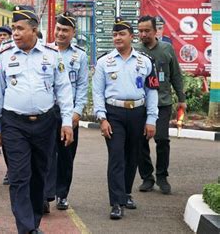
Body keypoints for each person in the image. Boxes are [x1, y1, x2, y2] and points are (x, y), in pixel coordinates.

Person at [0, 5, 74, 234]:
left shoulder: (52, 55)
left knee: (39, 175)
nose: (15, 33)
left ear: (34, 30)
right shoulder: (4, 55)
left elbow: (64, 90)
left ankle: (33, 222)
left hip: (45, 123)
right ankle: (26, 228)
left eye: (20, 29)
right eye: (14, 28)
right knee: (18, 175)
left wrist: (66, 122)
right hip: (14, 123)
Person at [92, 17, 159, 220]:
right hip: (114, 114)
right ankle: (116, 203)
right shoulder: (104, 62)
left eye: (122, 34)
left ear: (131, 36)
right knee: (116, 157)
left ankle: (126, 193)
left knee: (133, 157)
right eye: (114, 34)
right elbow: (97, 92)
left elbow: (152, 91)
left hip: (138, 113)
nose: (117, 38)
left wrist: (151, 119)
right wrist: (102, 118)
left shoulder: (145, 61)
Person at [44, 12, 89, 213]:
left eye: (65, 30)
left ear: (73, 33)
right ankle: (45, 195)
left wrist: (77, 112)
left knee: (66, 155)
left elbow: (82, 86)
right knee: (45, 154)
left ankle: (62, 194)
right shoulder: (44, 51)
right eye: (58, 29)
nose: (61, 34)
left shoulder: (80, 55)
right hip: (47, 110)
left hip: (68, 113)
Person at [137, 15, 186, 194]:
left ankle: (162, 176)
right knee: (140, 141)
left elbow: (176, 75)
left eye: (147, 31)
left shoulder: (167, 49)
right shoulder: (135, 51)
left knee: (162, 139)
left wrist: (182, 99)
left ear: (155, 30)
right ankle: (147, 177)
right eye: (140, 31)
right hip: (140, 104)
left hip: (162, 103)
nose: (143, 34)